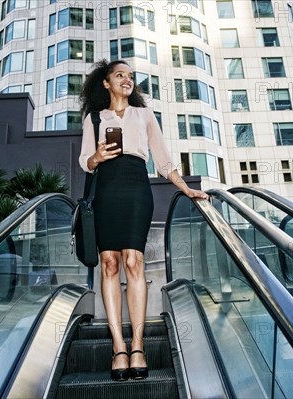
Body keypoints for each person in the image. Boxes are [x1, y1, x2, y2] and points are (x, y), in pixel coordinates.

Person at [79, 59, 208, 381]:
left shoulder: (144, 114)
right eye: (119, 75)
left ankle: (137, 345)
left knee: (134, 261)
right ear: (106, 83)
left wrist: (185, 188)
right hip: (105, 187)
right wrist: (97, 157)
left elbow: (163, 159)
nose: (127, 80)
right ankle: (118, 347)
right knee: (109, 262)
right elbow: (85, 161)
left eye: (131, 76)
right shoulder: (94, 118)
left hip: (136, 186)